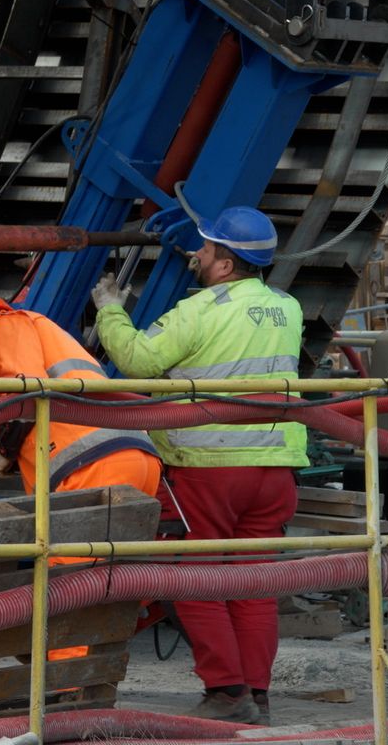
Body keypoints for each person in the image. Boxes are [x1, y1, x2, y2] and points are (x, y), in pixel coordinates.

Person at [92, 205, 308, 726]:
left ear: (227, 264)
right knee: (253, 584)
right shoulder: (288, 308)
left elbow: (139, 360)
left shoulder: (200, 312)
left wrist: (109, 310)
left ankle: (227, 693)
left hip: (209, 467)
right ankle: (256, 694)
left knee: (194, 578)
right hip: (274, 468)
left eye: (206, 248)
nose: (198, 253)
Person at [0, 295, 163, 660]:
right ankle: (89, 684)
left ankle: (63, 697)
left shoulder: (5, 324)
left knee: (69, 589)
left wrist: (2, 451)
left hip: (90, 466)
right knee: (111, 581)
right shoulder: (50, 338)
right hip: (136, 456)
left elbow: (26, 393)